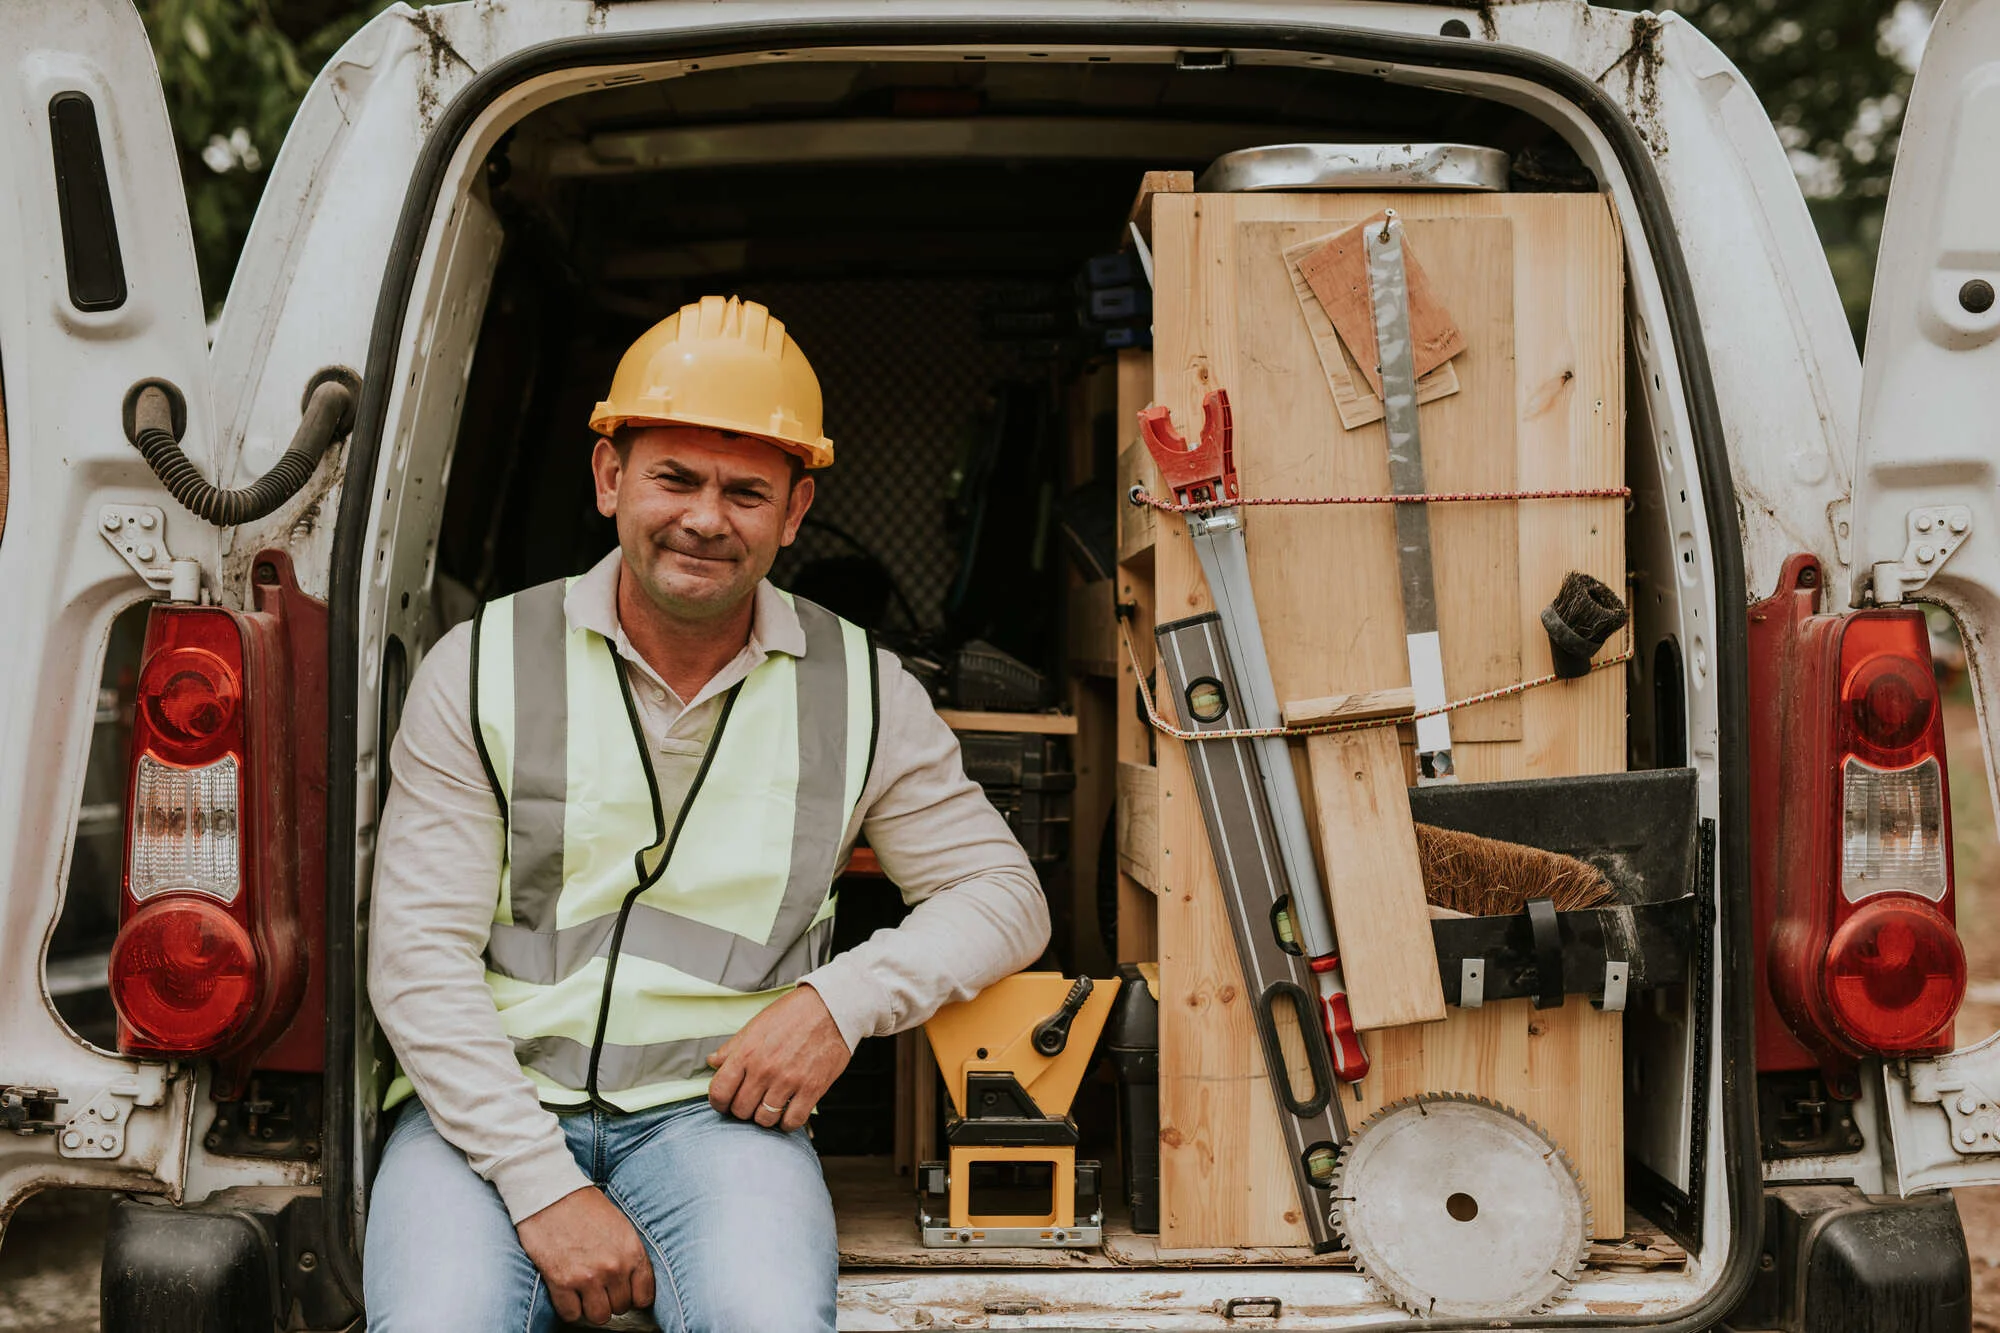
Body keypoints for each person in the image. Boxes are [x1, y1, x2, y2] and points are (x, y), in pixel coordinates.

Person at [362, 296, 1050, 1331]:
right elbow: (417, 957)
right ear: (610, 477)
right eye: (674, 478)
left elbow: (1002, 894)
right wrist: (542, 1185)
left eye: (745, 491)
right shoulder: (482, 665)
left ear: (795, 511)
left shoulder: (862, 688)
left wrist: (838, 1003)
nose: (705, 518)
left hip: (718, 1122)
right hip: (484, 1112)